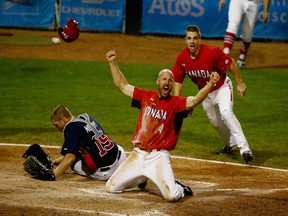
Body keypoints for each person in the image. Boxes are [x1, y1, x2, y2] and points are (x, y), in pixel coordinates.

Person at [105, 49, 220, 202]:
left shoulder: (176, 103)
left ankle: (178, 187)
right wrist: (112, 63)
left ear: (172, 85)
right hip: (138, 154)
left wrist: (211, 83)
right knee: (111, 187)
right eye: (164, 79)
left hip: (158, 156)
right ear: (158, 82)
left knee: (171, 196)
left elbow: (196, 100)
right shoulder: (145, 96)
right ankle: (141, 178)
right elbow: (122, 85)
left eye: (170, 80)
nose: (167, 82)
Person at [171, 25, 253, 164]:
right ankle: (230, 144)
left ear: (200, 39)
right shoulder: (182, 58)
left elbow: (231, 63)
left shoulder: (212, 52)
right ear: (185, 40)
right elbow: (178, 81)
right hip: (205, 93)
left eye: (195, 38)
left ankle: (245, 149)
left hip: (222, 88)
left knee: (226, 112)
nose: (192, 42)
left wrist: (239, 83)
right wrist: (177, 101)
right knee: (215, 123)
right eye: (189, 38)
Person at [51, 105, 126, 180]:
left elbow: (70, 158)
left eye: (56, 125)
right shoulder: (86, 118)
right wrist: (61, 160)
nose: (56, 128)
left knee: (74, 164)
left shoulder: (70, 128)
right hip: (121, 157)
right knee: (87, 149)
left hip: (108, 171)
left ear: (63, 120)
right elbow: (92, 144)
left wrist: (52, 175)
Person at [218, 0, 270, 69]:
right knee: (233, 26)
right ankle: (225, 55)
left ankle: (241, 59)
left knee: (247, 34)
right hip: (238, 1)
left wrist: (266, 10)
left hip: (254, 3)